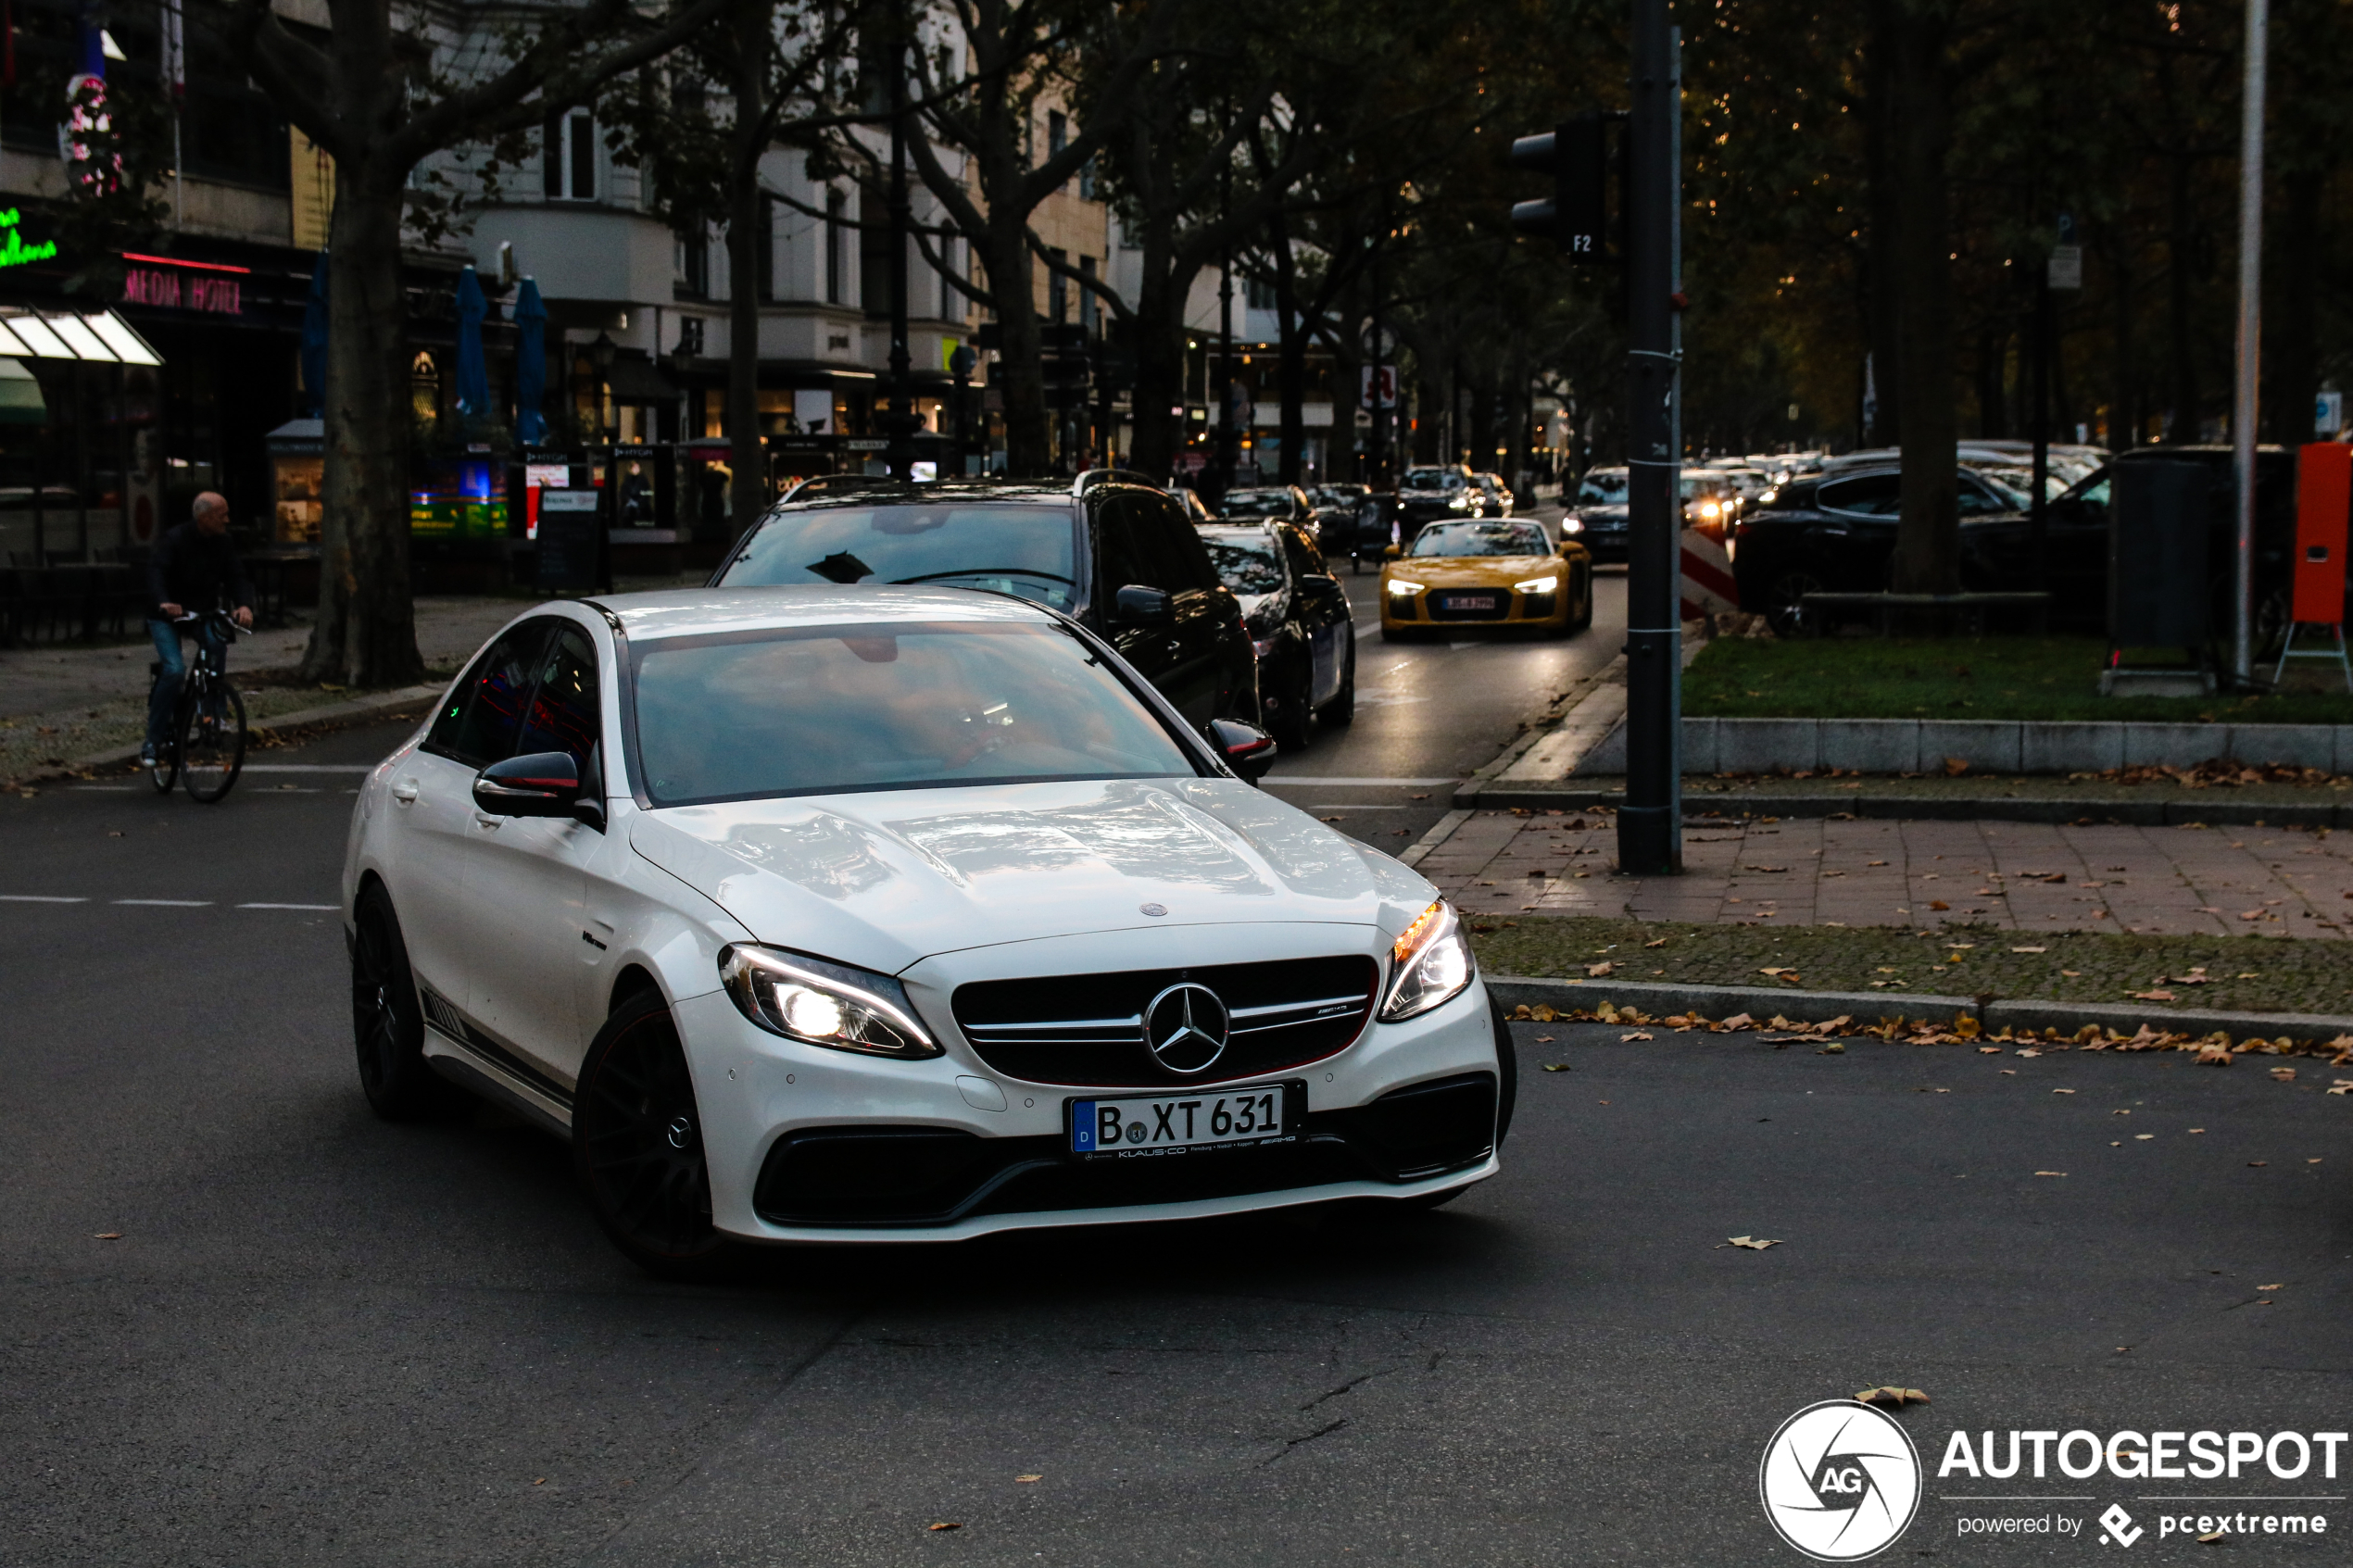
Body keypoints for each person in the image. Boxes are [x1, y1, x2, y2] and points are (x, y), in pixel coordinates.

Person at [144, 492, 255, 767]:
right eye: (222, 515)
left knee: (217, 643)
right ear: (203, 517)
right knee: (173, 670)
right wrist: (164, 602)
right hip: (167, 613)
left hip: (200, 611)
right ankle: (152, 740)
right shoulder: (174, 540)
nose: (227, 521)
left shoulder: (223, 543)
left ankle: (214, 715)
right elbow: (156, 572)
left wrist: (244, 605)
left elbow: (236, 575)